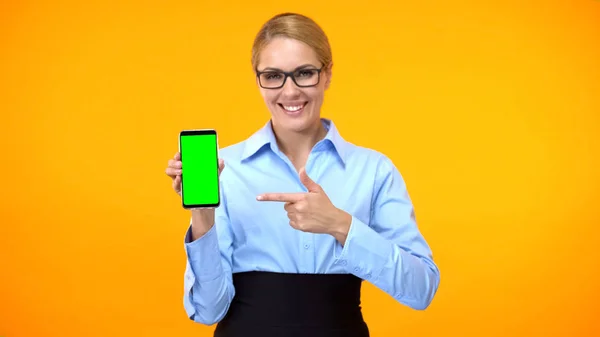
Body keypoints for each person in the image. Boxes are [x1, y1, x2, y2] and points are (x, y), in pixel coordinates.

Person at [165, 12, 440, 337]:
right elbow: (207, 310)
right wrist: (202, 216)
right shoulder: (225, 169)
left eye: (305, 73)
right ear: (258, 80)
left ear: (327, 75)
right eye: (273, 76)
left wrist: (340, 225)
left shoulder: (374, 170)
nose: (290, 90)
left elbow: (421, 289)